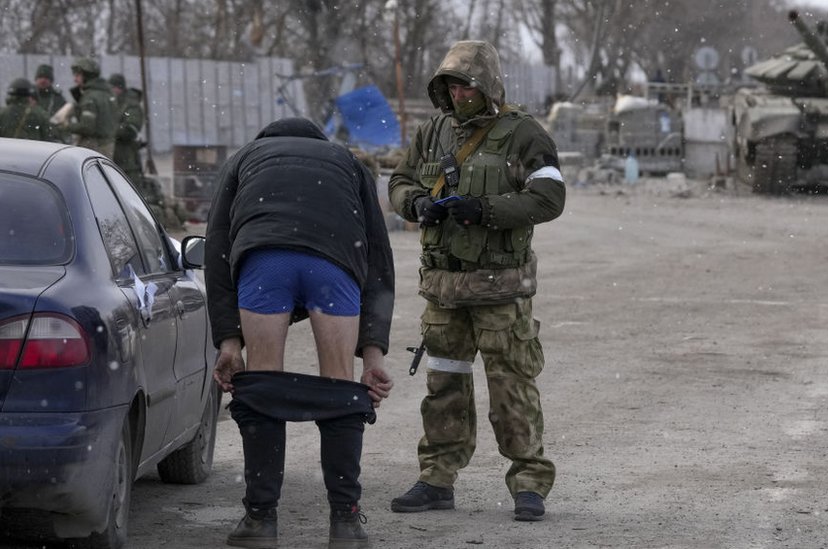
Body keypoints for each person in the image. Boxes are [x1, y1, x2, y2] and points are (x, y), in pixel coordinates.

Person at [387, 40, 566, 522]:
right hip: (444, 291)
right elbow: (399, 182)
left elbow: (550, 198)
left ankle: (529, 483)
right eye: (450, 84)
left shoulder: (525, 134)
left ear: (487, 86)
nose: (459, 93)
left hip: (500, 289)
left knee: (512, 387)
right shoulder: (432, 132)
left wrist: (485, 211)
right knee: (443, 386)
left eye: (467, 84)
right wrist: (416, 204)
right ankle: (436, 479)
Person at [204, 117, 395, 549]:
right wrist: (373, 356)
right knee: (340, 388)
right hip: (333, 261)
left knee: (262, 383)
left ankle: (260, 519)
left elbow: (216, 251)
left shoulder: (243, 159)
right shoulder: (347, 161)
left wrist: (230, 345)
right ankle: (346, 521)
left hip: (265, 259)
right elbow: (379, 258)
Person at [64, 57, 116, 156]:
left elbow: (87, 127)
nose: (75, 79)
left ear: (86, 75)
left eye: (77, 75)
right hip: (107, 146)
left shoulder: (90, 97)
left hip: (93, 148)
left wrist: (66, 126)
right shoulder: (108, 93)